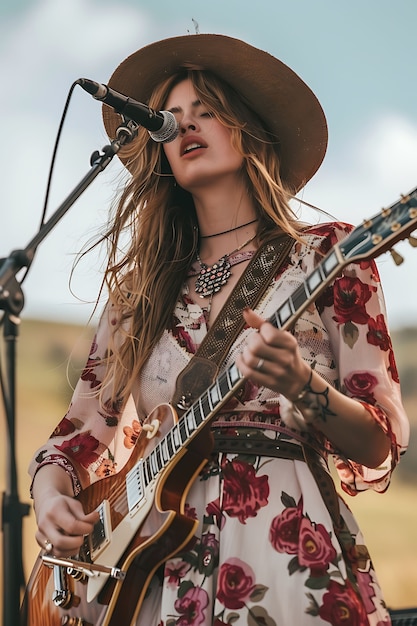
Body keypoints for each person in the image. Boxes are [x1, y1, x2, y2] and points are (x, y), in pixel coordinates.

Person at [27, 34, 409, 625]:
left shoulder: (330, 254)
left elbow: (378, 442)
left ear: (249, 130)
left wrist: (302, 385)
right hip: (154, 570)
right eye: (170, 119)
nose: (185, 126)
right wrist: (50, 496)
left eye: (207, 111)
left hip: (288, 553)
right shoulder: (139, 293)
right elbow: (79, 435)